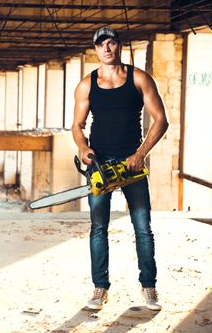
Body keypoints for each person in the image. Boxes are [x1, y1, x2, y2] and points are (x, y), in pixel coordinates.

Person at [72, 26, 169, 311]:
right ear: (95, 49)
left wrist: (141, 153)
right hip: (100, 165)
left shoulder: (139, 78)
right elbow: (77, 127)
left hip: (132, 165)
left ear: (119, 46)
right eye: (101, 44)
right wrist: (83, 148)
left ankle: (149, 288)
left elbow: (161, 119)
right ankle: (100, 289)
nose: (106, 48)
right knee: (98, 228)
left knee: (142, 228)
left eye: (111, 43)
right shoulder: (86, 84)